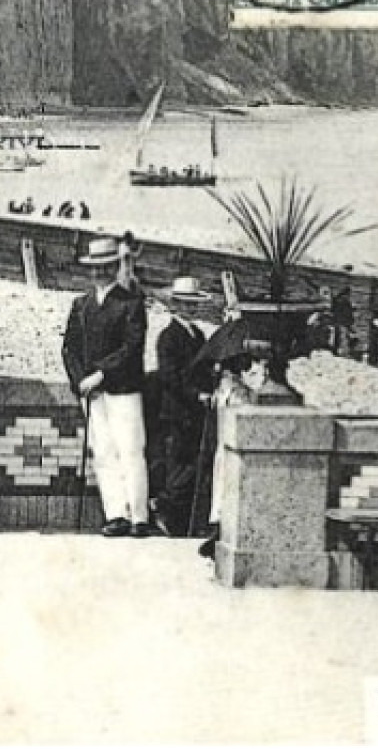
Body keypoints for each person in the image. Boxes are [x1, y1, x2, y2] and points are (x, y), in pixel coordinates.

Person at [62, 236, 151, 537]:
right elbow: (68, 349)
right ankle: (116, 515)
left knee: (130, 450)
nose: (99, 274)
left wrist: (99, 375)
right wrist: (79, 383)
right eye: (94, 269)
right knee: (102, 452)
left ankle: (139, 517)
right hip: (91, 393)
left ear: (116, 267)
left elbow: (132, 347)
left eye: (106, 267)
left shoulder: (131, 304)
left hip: (123, 390)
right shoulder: (80, 305)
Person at [147, 277, 213, 536]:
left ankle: (179, 519)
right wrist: (196, 394)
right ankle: (164, 510)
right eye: (186, 304)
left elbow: (204, 369)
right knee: (178, 467)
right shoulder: (168, 337)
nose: (191, 309)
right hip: (176, 412)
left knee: (194, 465)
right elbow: (169, 377)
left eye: (194, 304)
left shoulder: (198, 335)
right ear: (175, 305)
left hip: (196, 413)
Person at [197, 353, 260, 559]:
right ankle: (220, 528)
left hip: (229, 441)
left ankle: (221, 527)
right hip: (230, 442)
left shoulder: (227, 387)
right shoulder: (232, 388)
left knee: (226, 477)